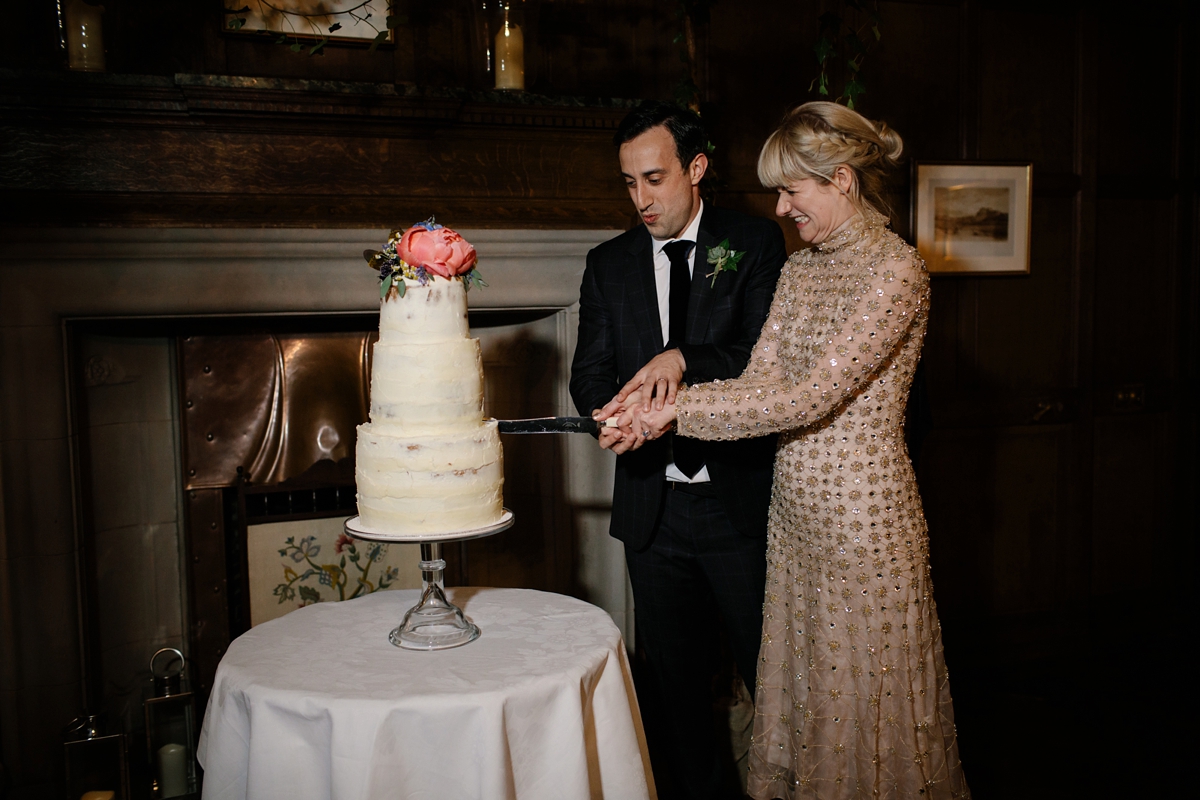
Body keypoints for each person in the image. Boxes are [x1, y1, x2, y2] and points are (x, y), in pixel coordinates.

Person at [601, 102, 970, 799]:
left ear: (842, 179)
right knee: (805, 703)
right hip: (793, 520)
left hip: (863, 526)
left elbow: (804, 398)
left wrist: (673, 414)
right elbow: (761, 379)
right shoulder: (801, 271)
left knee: (863, 706)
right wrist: (649, 412)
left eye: (791, 190)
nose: (780, 207)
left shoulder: (896, 272)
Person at [569, 100, 787, 799]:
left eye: (655, 179)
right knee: (676, 691)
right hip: (652, 515)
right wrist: (609, 417)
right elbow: (590, 371)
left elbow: (761, 359)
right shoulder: (607, 264)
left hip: (737, 507)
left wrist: (680, 359)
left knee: (771, 677)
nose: (642, 199)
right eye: (630, 183)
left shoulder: (754, 243)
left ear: (696, 168)